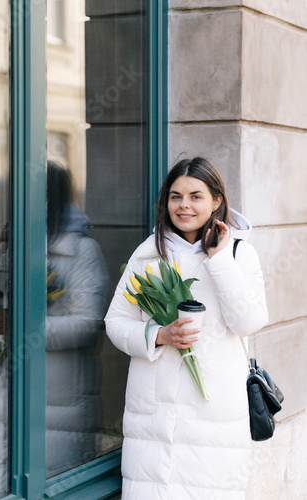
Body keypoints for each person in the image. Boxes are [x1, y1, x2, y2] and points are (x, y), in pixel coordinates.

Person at [105, 156, 269, 499]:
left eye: (196, 196)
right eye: (176, 196)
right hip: (152, 417)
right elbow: (115, 321)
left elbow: (249, 322)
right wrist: (158, 335)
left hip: (215, 413)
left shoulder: (240, 255)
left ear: (216, 201)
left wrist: (218, 259)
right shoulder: (148, 253)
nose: (184, 206)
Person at [45, 160, 110, 476]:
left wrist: (17, 329)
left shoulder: (82, 250)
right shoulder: (9, 245)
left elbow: (87, 326)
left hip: (58, 399)